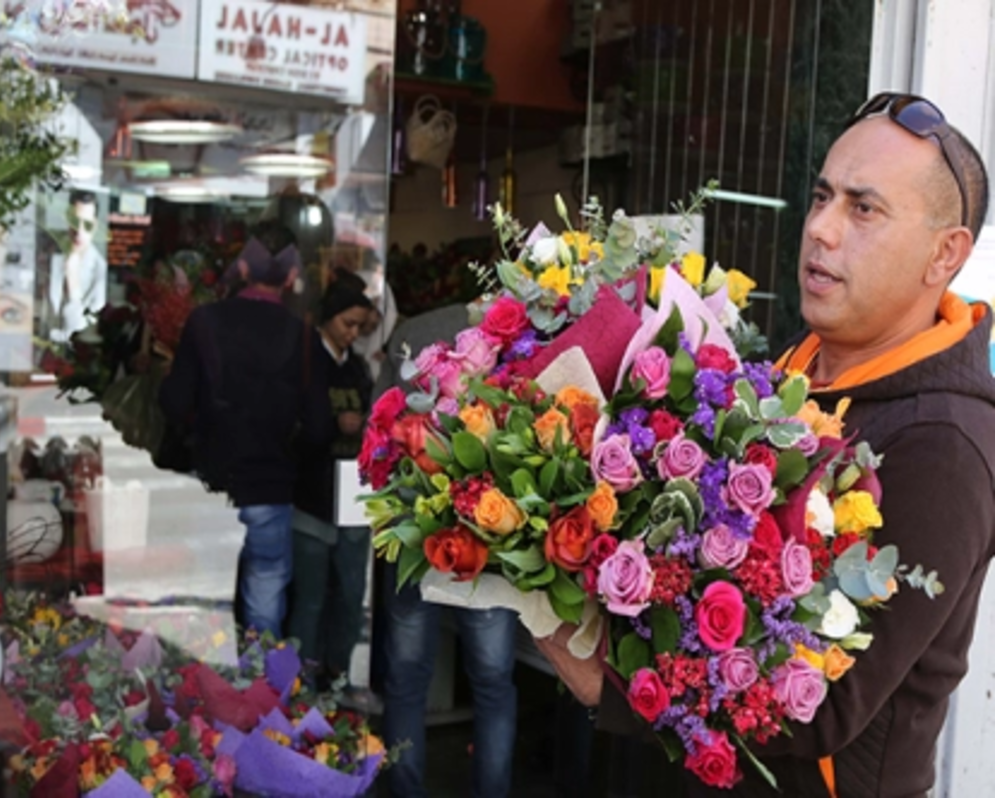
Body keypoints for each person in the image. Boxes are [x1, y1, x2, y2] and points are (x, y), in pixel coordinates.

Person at [537, 92, 995, 797]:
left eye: (863, 208)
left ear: (945, 255)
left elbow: (822, 711)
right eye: (821, 197)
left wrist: (607, 687)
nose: (822, 229)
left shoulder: (944, 446)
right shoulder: (793, 373)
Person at [380, 302, 520, 798]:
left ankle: (404, 790)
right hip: (486, 538)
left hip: (416, 534)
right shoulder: (520, 344)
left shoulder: (413, 332)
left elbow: (379, 435)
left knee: (405, 680)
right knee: (492, 684)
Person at [159, 228, 321, 637]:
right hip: (269, 485)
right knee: (264, 608)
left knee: (204, 607)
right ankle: (259, 693)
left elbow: (175, 404)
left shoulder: (204, 322)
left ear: (243, 267)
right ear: (290, 277)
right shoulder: (301, 335)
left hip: (211, 483)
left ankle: (202, 694)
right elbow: (318, 425)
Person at [288, 281, 374, 692]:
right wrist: (332, 426)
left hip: (353, 494)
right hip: (312, 494)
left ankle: (336, 671)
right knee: (310, 597)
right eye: (348, 323)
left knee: (351, 592)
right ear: (328, 319)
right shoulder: (304, 364)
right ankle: (300, 676)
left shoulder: (357, 368)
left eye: (359, 326)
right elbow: (291, 428)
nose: (353, 333)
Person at [48, 190, 108, 342]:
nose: (79, 231)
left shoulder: (99, 269)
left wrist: (73, 282)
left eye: (86, 224)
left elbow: (83, 330)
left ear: (94, 226)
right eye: (75, 222)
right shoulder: (53, 257)